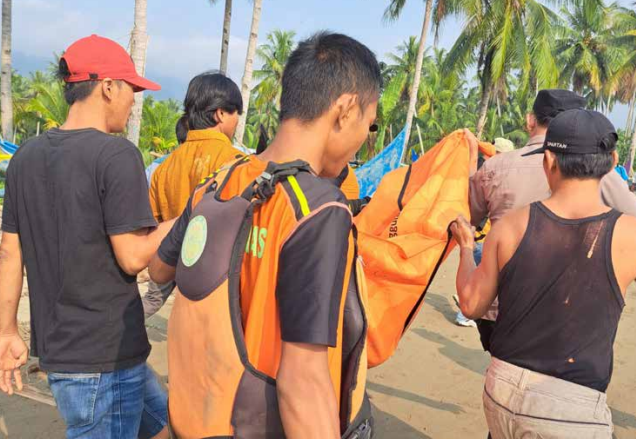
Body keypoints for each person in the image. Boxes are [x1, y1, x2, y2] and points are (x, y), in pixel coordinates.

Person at [149, 32, 381, 438]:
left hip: (194, 419)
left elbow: (158, 267)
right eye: (369, 121)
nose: (365, 135)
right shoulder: (318, 208)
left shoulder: (217, 184)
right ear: (345, 110)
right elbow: (302, 380)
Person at [0, 35, 175, 439]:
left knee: (166, 424)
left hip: (65, 351)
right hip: (105, 356)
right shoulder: (116, 155)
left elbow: (10, 253)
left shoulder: (24, 158)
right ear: (108, 87)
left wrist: (8, 331)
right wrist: (185, 220)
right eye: (132, 89)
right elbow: (134, 257)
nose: (134, 102)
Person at [452, 109, 636, 438]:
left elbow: (470, 304)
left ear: (548, 161)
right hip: (570, 407)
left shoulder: (509, 225)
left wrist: (466, 246)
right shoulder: (628, 234)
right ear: (613, 162)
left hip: (501, 390)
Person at [468, 89, 636, 351]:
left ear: (530, 120)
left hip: (496, 306)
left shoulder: (494, 167)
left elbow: (471, 218)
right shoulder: (598, 172)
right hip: (567, 311)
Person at [143, 72, 244, 318]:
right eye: (236, 114)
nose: (238, 122)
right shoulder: (236, 163)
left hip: (174, 267)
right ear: (220, 113)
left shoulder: (163, 168)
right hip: (216, 281)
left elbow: (154, 228)